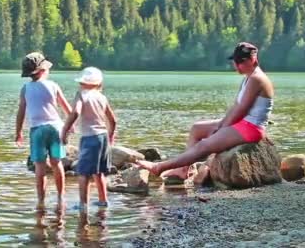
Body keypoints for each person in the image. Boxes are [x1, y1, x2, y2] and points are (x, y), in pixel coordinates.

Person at [136, 42, 274, 178]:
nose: (237, 66)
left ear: (253, 59)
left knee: (203, 145)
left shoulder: (257, 79)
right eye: (235, 61)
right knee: (196, 128)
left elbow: (242, 110)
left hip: (251, 128)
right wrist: (221, 125)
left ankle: (158, 167)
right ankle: (184, 170)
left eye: (241, 62)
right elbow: (236, 106)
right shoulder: (248, 78)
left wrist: (221, 130)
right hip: (243, 123)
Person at [15, 52, 73, 209]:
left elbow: (21, 111)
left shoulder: (25, 89)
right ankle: (61, 197)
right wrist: (70, 124)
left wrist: (18, 132)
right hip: (55, 127)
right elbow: (66, 107)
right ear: (42, 70)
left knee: (40, 166)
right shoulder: (53, 85)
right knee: (57, 163)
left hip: (37, 130)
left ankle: (41, 200)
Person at [60, 67, 117, 212]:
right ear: (98, 84)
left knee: (83, 173)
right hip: (102, 136)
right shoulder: (102, 97)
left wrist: (65, 129)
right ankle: (103, 201)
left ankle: (82, 204)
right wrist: (110, 136)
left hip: (89, 137)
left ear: (82, 83)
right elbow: (113, 120)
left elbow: (75, 113)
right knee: (99, 172)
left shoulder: (81, 95)